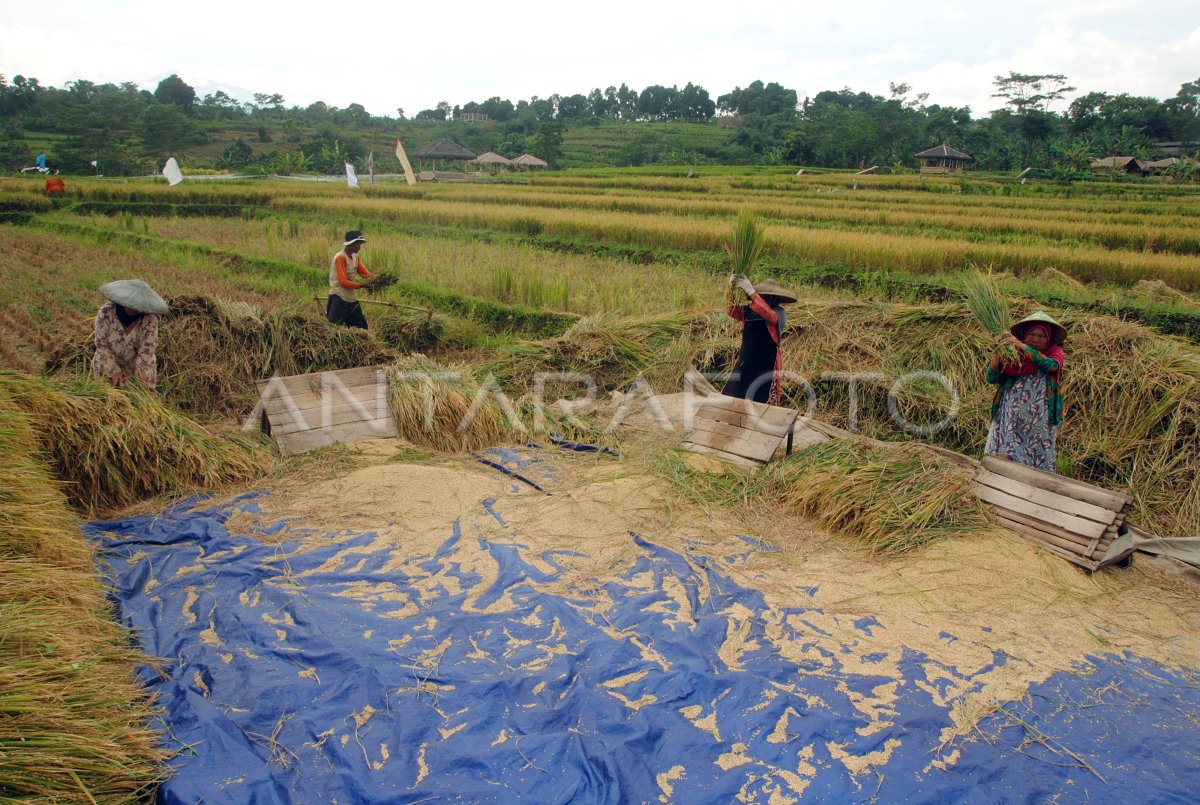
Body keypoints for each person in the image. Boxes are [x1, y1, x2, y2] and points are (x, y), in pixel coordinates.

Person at [985, 311, 1068, 472]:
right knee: (1006, 452)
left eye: (1041, 336)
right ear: (1024, 334)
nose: (1036, 339)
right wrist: (997, 352)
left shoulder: (1054, 353)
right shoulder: (1012, 354)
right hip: (1009, 416)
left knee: (1036, 452)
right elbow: (991, 378)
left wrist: (1023, 346)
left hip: (1039, 419)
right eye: (1031, 334)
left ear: (1049, 338)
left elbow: (1051, 366)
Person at [723, 276, 798, 405]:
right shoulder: (750, 311)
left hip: (766, 364)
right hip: (747, 361)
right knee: (737, 395)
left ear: (777, 299)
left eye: (772, 297)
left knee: (763, 398)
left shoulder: (779, 312)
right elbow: (731, 311)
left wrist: (751, 292)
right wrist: (731, 290)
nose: (769, 299)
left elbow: (769, 315)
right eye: (765, 296)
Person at [92, 279, 169, 393]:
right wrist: (114, 371)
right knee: (104, 394)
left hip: (136, 365)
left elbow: (146, 353)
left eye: (139, 306)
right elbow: (101, 345)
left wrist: (139, 379)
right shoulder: (106, 312)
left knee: (141, 392)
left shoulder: (150, 321)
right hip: (108, 361)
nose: (134, 309)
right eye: (131, 304)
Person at [327, 230, 374, 329]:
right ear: (352, 244)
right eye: (359, 244)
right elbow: (343, 281)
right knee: (334, 328)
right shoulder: (341, 257)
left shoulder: (355, 257)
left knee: (362, 326)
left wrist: (375, 278)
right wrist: (362, 285)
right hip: (338, 296)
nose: (360, 247)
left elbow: (363, 272)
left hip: (350, 296)